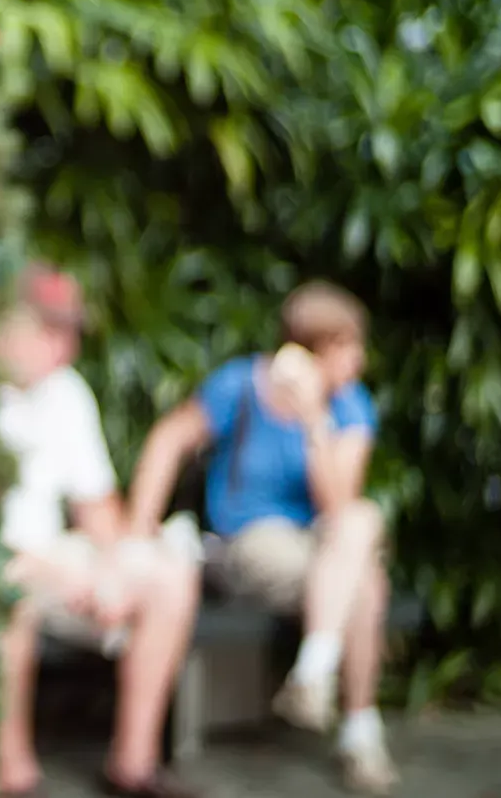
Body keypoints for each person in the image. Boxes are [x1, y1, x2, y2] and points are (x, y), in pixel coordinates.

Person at [126, 281, 398, 794]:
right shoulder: (242, 384)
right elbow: (168, 439)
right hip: (249, 544)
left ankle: (314, 674)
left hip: (320, 545)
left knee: (361, 523)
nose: (359, 360)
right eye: (348, 347)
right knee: (363, 585)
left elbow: (337, 507)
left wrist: (315, 419)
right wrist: (139, 530)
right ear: (311, 349)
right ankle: (357, 729)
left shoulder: (350, 406)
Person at [0, 264, 202, 798]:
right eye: (49, 331)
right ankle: (12, 777)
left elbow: (97, 506)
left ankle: (135, 765)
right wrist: (46, 568)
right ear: (6, 324)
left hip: (55, 556)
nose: (64, 348)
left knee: (168, 575)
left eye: (70, 333)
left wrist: (113, 566)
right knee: (4, 594)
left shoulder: (67, 391)